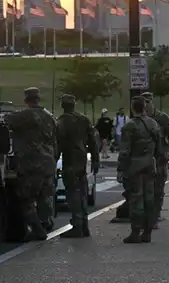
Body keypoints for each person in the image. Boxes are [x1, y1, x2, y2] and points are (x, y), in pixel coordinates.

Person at [4, 87, 58, 240]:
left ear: (26, 100)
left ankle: (37, 229)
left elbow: (7, 121)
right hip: (48, 163)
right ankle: (46, 222)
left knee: (26, 199)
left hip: (32, 163)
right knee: (45, 197)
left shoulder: (27, 115)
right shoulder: (50, 116)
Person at [117, 95, 160, 244]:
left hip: (135, 166)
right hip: (150, 164)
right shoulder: (153, 123)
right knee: (150, 198)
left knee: (136, 199)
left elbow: (124, 150)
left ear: (132, 108)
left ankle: (135, 231)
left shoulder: (130, 126)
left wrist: (121, 169)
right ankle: (147, 232)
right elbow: (159, 146)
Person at [56, 94, 100, 238]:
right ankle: (84, 225)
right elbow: (93, 140)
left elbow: (59, 143)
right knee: (82, 192)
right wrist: (95, 160)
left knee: (73, 193)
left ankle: (77, 226)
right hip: (82, 159)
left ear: (63, 105)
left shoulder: (62, 121)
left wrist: (54, 161)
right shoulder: (83, 119)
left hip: (71, 159)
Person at [142, 92, 169, 227]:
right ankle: (146, 217)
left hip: (160, 158)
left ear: (152, 103)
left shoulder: (162, 118)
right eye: (144, 103)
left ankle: (154, 217)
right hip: (144, 159)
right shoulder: (140, 119)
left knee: (158, 189)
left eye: (148, 102)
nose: (147, 105)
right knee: (143, 190)